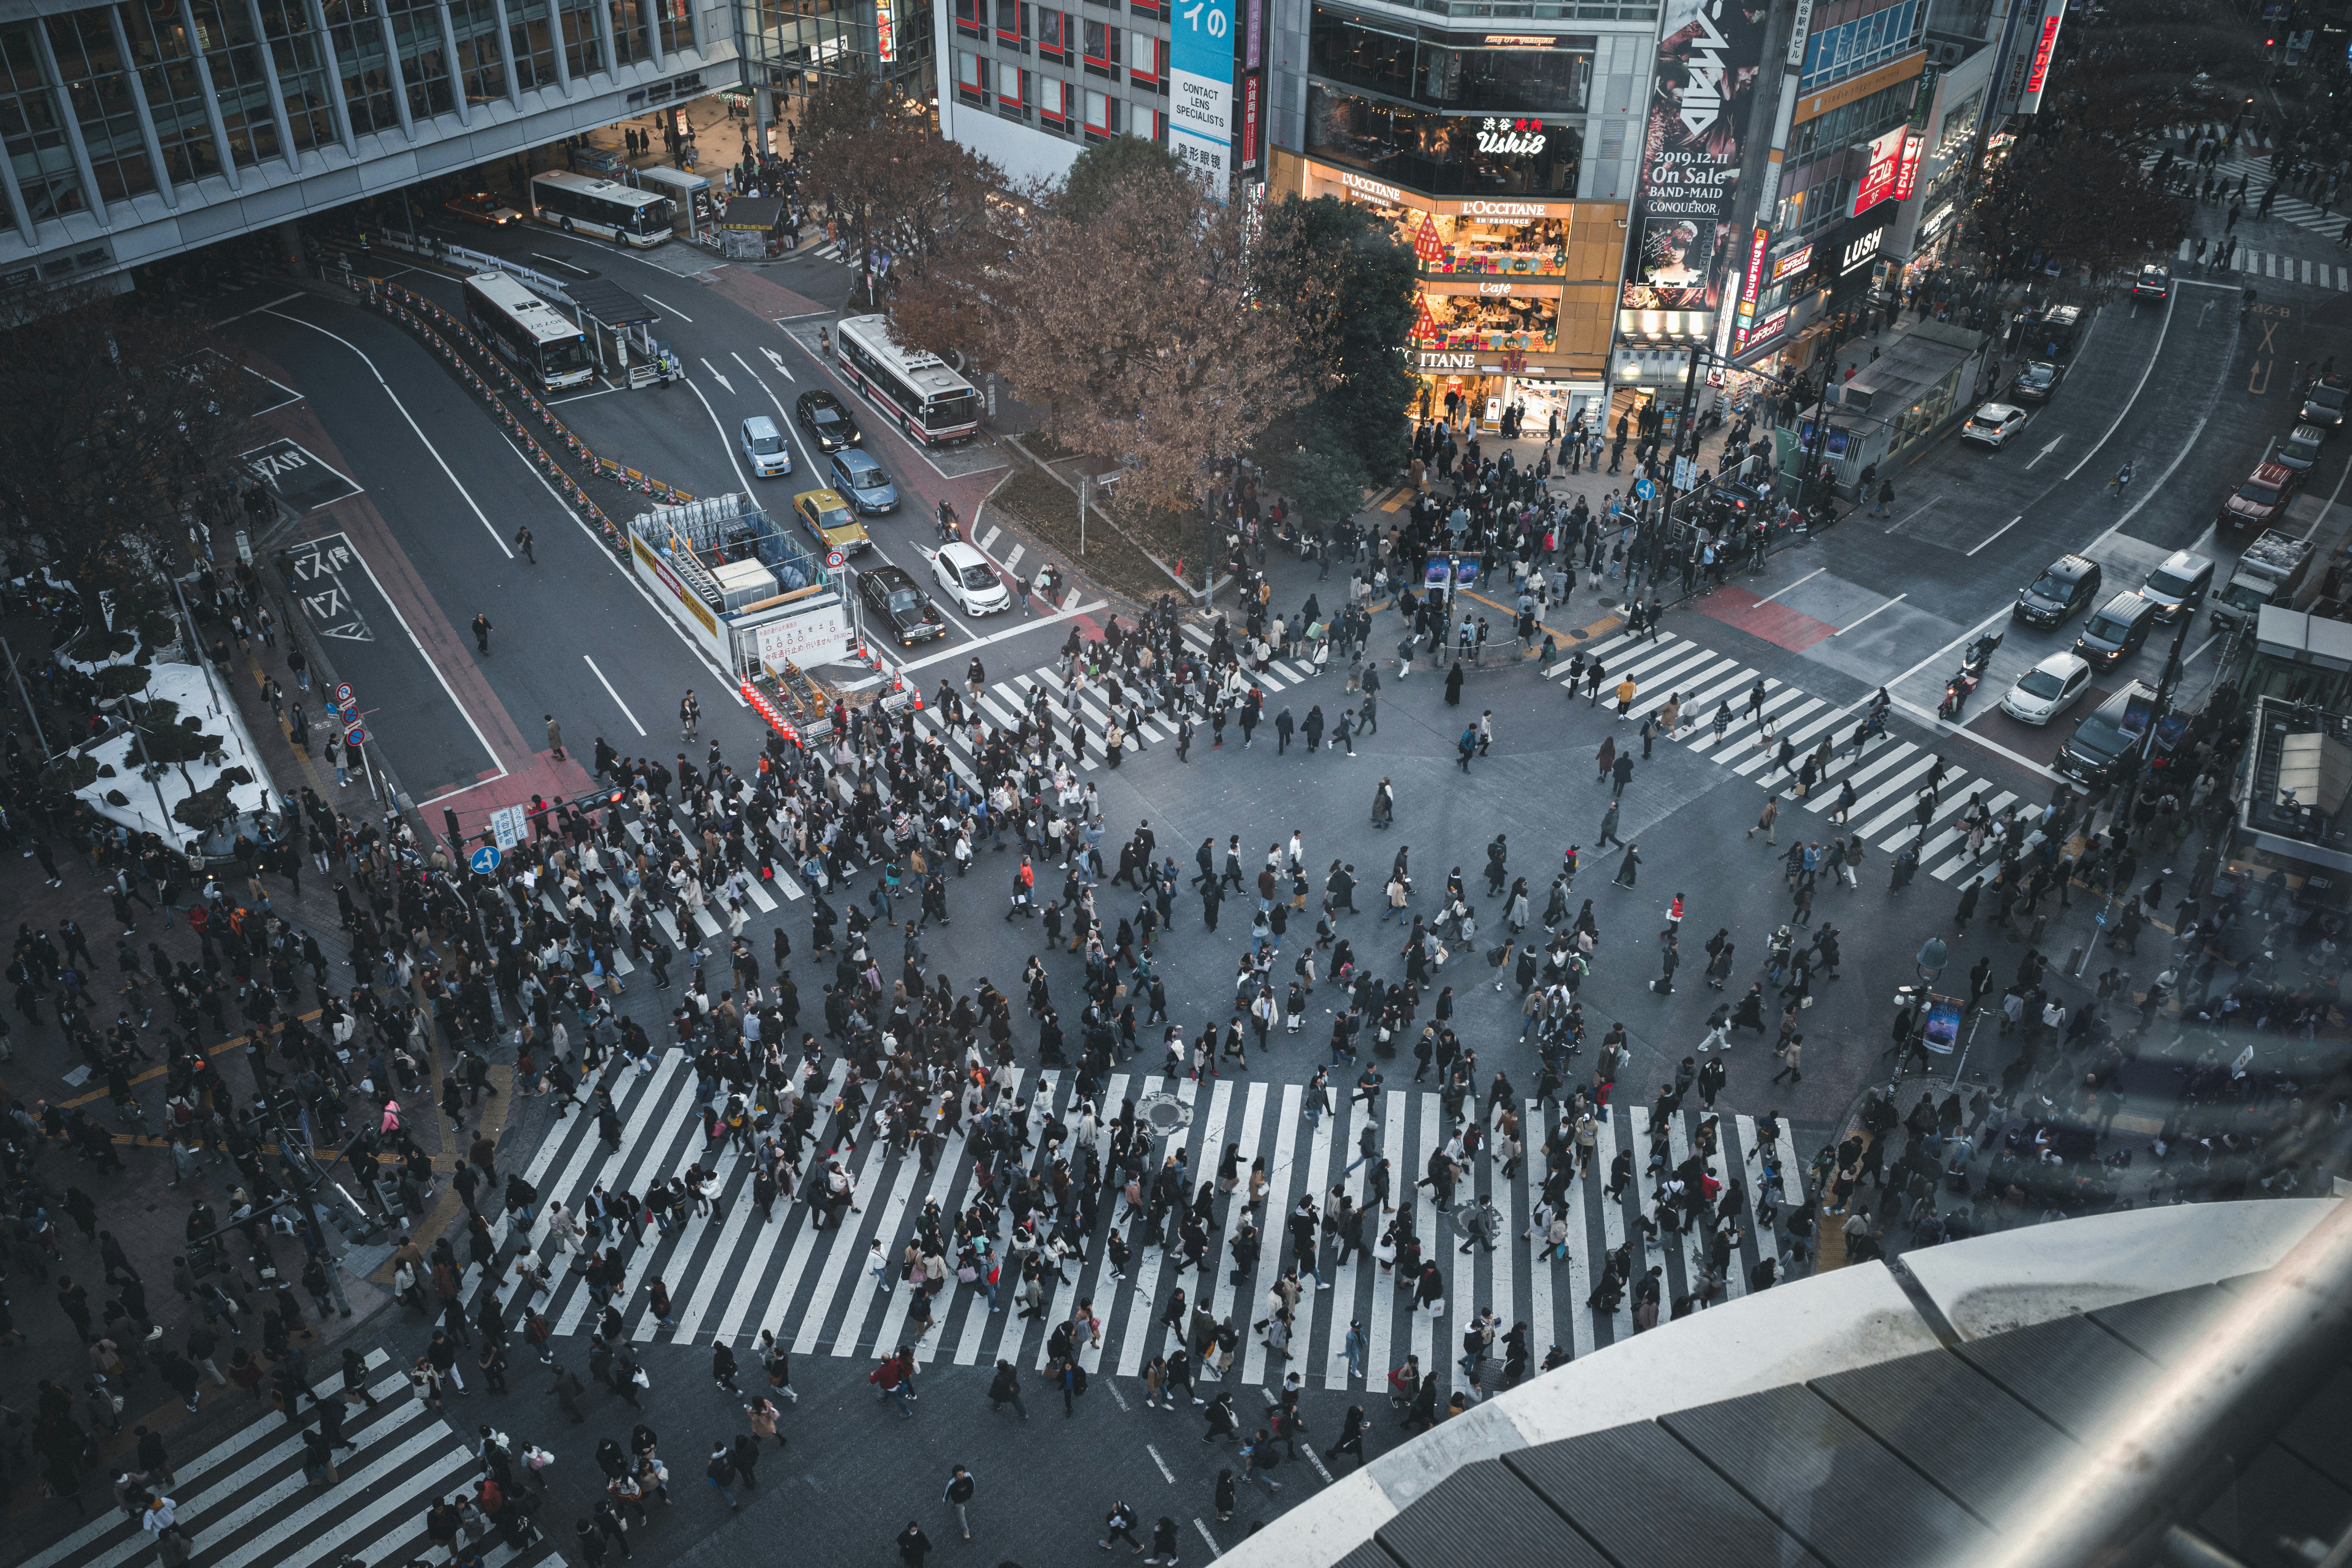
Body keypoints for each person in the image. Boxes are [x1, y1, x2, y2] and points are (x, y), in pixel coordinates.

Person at [942, 1465, 975, 1540]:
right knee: (961, 1516)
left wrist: (970, 1494)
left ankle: (962, 1506)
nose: (962, 1476)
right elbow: (947, 1492)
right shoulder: (952, 1483)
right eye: (959, 1475)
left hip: (966, 1497)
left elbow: (972, 1484)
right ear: (955, 1476)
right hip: (958, 1501)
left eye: (962, 1474)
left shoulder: (968, 1476)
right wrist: (945, 1501)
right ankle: (966, 1530)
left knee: (962, 1507)